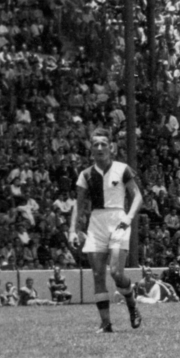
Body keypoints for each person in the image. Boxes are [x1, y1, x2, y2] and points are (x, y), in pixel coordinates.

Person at [69, 128, 144, 331]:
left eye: (104, 144)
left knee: (116, 272)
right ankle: (105, 324)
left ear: (110, 147)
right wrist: (73, 230)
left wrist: (128, 218)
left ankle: (132, 305)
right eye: (96, 144)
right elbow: (79, 204)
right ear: (91, 149)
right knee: (97, 274)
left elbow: (137, 196)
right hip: (97, 222)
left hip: (119, 220)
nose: (100, 148)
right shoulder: (86, 175)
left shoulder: (122, 169)